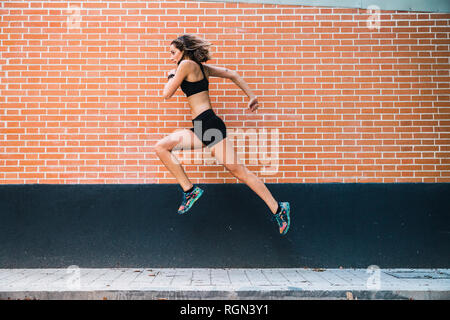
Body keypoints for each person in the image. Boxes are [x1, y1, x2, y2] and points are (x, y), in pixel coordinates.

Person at [153, 34, 291, 235]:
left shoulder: (185, 65)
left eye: (173, 53)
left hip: (208, 125)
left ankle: (279, 209)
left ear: (184, 51)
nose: (171, 57)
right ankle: (190, 190)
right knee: (161, 147)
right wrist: (251, 96)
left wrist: (171, 76)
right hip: (202, 126)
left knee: (240, 172)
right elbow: (231, 73)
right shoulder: (201, 68)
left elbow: (166, 94)